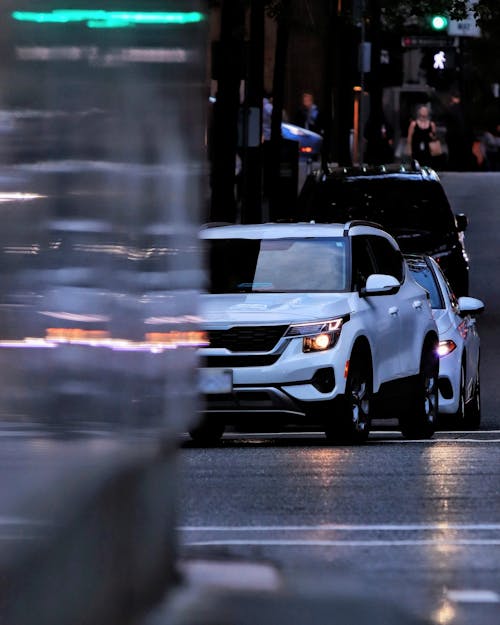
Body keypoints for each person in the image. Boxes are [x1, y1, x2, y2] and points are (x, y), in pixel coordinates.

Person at [443, 92, 475, 171]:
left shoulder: (451, 109)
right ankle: (466, 167)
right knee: (465, 153)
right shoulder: (466, 109)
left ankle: (454, 167)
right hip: (466, 136)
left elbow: (447, 123)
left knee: (454, 154)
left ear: (453, 98)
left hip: (453, 136)